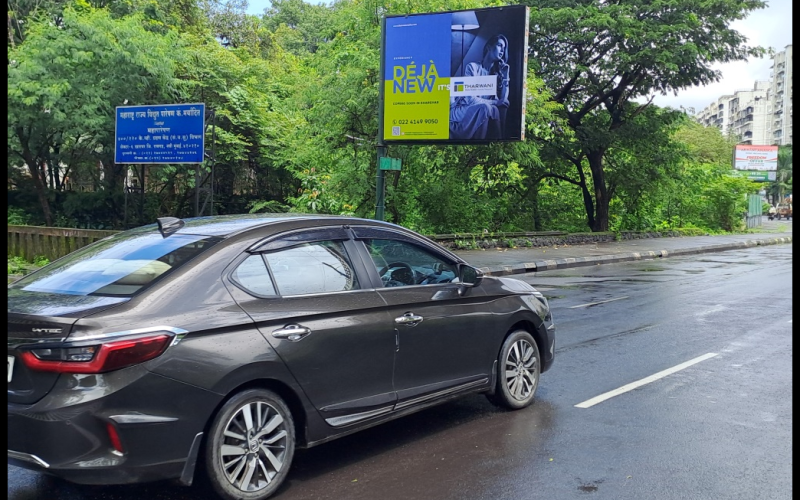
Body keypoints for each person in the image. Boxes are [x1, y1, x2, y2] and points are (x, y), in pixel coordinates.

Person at [450, 34, 510, 140]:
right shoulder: (472, 67)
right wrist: (495, 102)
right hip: (462, 109)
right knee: (487, 108)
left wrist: (505, 76)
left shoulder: (495, 75)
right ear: (489, 47)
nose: (502, 50)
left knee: (493, 109)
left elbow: (504, 101)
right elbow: (470, 99)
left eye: (504, 48)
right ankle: (480, 143)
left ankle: (497, 144)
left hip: (480, 109)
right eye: (499, 45)